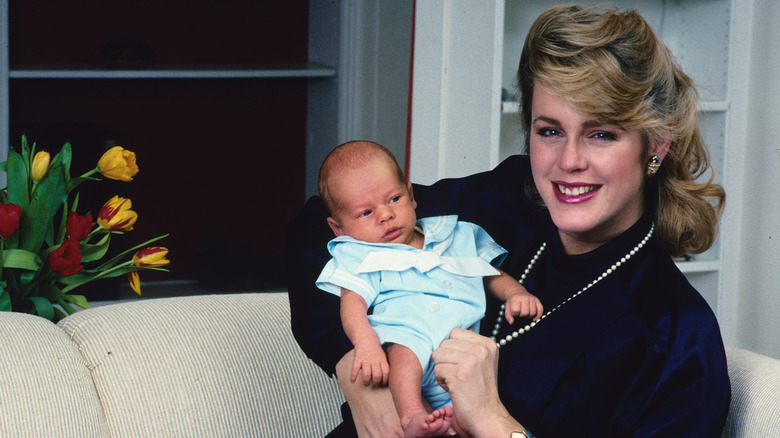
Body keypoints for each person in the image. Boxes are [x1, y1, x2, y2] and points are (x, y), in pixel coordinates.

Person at [286, 4, 730, 437]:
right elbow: (320, 225)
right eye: (550, 131)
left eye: (601, 134)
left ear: (657, 144)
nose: (569, 162)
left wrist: (495, 424)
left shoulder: (678, 334)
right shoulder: (502, 203)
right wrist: (358, 373)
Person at [315, 140, 543, 437]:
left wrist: (515, 293)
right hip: (408, 336)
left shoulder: (453, 234)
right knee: (404, 355)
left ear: (411, 196)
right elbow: (352, 303)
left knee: (464, 409)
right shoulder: (361, 255)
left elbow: (489, 274)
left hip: (460, 349)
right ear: (338, 228)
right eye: (366, 213)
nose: (385, 215)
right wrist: (366, 343)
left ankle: (448, 427)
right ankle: (412, 415)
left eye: (394, 199)